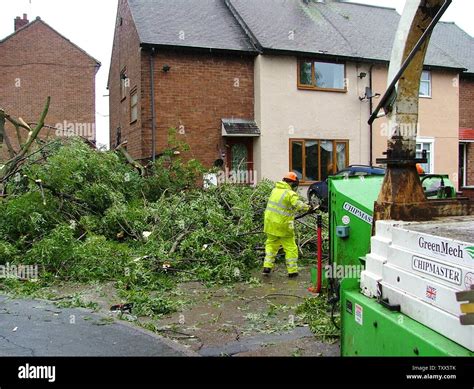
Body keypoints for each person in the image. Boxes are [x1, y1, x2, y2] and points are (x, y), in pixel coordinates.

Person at [263, 172, 312, 278]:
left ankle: (267, 266)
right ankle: (292, 271)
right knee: (290, 247)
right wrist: (309, 207)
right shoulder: (290, 193)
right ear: (292, 183)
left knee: (271, 245)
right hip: (283, 225)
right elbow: (298, 205)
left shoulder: (274, 190)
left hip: (269, 223)